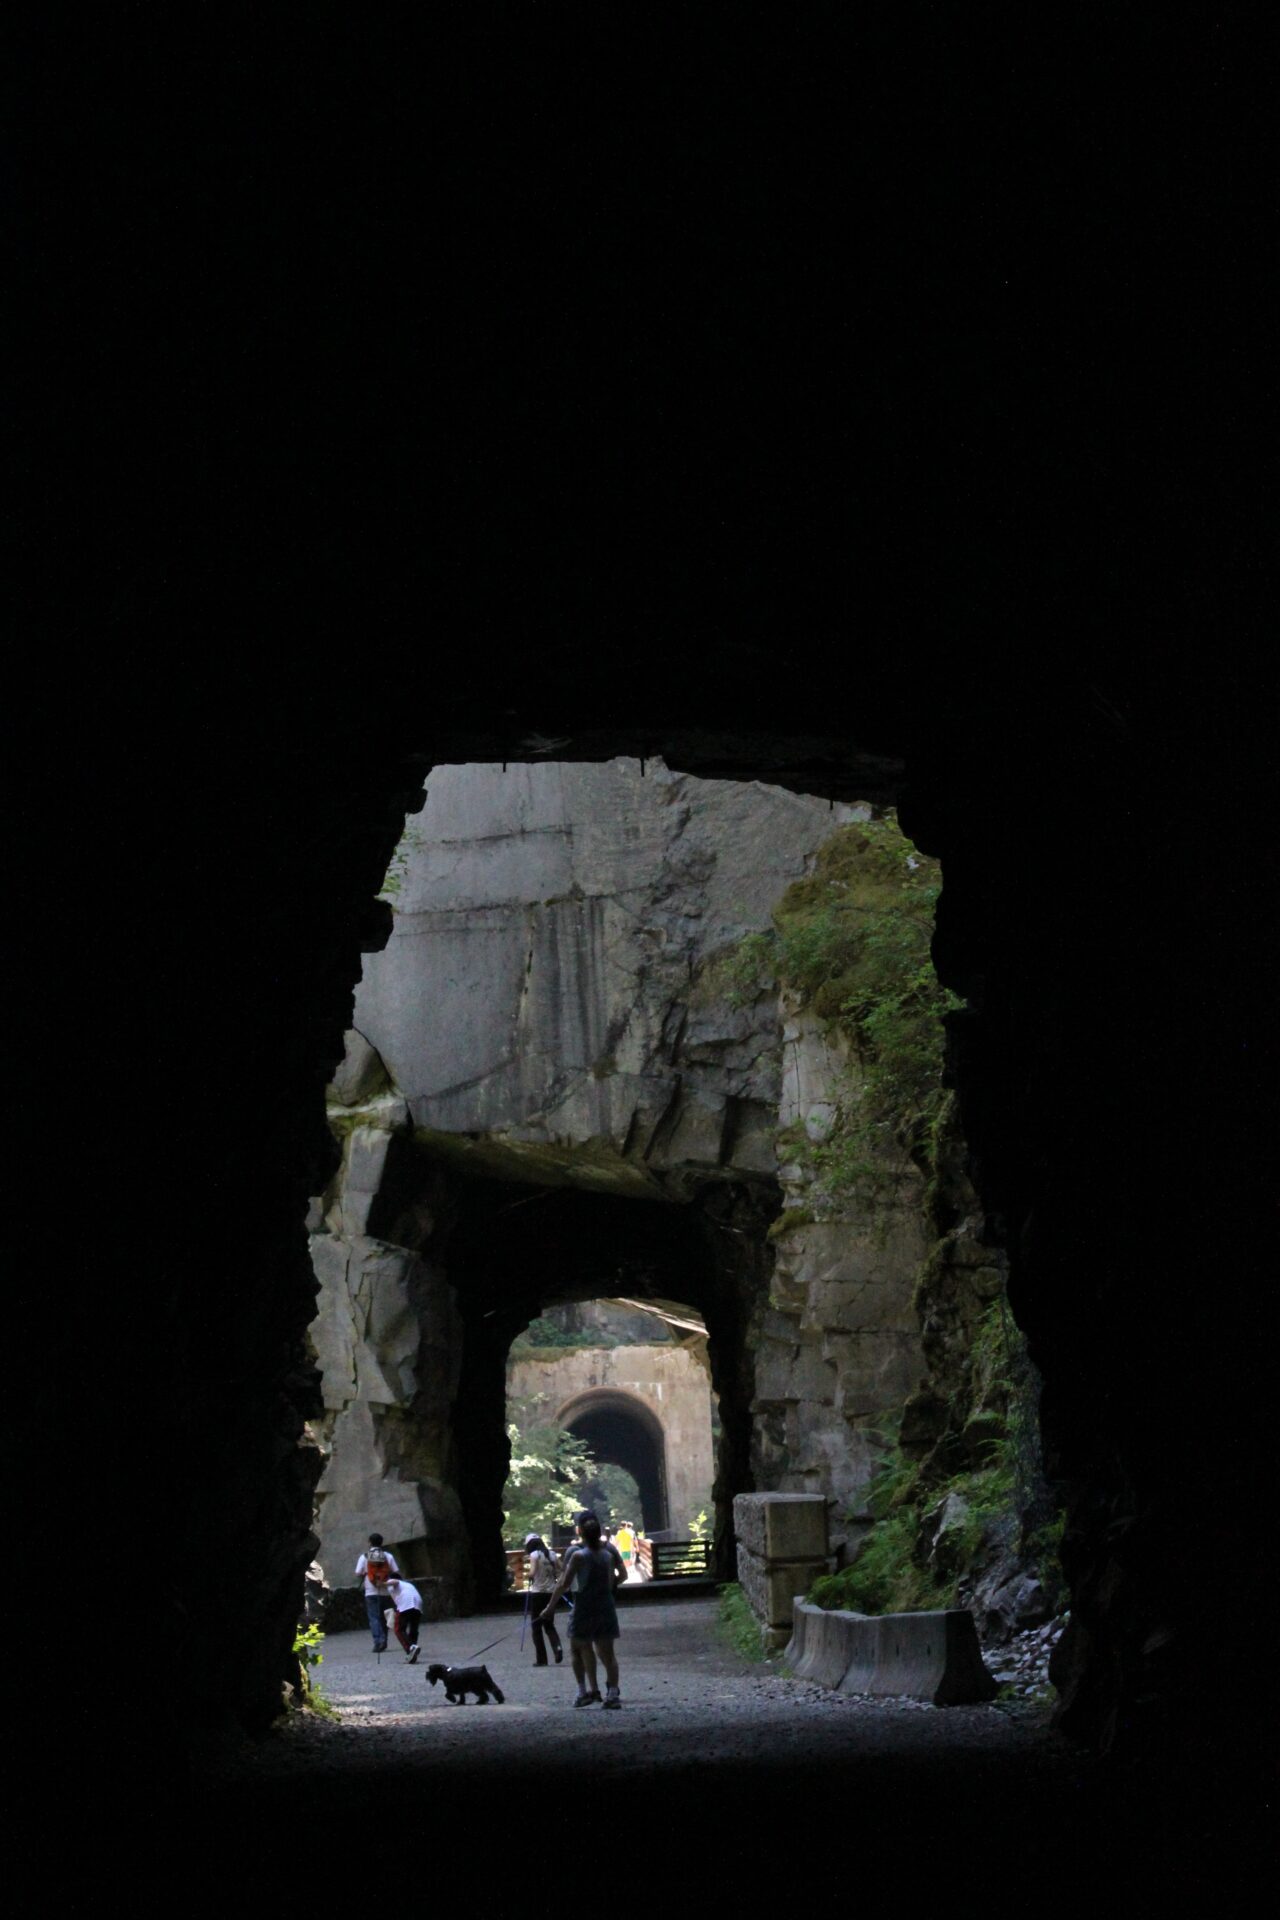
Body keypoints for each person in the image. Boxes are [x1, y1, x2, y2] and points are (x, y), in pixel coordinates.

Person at [540, 1510, 626, 1708]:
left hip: (584, 1608)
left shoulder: (578, 1555)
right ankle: (612, 1694)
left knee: (578, 1650)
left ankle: (584, 1692)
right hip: (605, 1606)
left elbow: (564, 1583)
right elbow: (616, 1578)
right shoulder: (607, 1554)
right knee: (608, 1653)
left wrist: (550, 1607)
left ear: (580, 1532)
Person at [354, 1532, 400, 1653]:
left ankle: (378, 1641)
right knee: (384, 1617)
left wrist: (365, 1573)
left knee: (374, 1618)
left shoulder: (364, 1556)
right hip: (386, 1591)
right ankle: (384, 1640)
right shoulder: (388, 1556)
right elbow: (395, 1571)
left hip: (371, 1591)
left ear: (369, 1542)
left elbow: (358, 1572)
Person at [523, 1533, 564, 1667]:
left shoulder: (534, 1555)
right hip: (551, 1593)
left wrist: (527, 1575)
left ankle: (542, 1659)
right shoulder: (551, 1554)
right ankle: (557, 1648)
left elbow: (533, 1572)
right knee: (549, 1625)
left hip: (538, 1593)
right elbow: (562, 1568)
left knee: (536, 1627)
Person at [386, 1575, 423, 1663]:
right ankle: (412, 1652)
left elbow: (395, 1582)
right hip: (418, 1603)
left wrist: (382, 1583)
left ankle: (411, 1648)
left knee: (399, 1629)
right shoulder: (407, 1585)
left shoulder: (394, 1582)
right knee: (413, 1629)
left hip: (407, 1602)